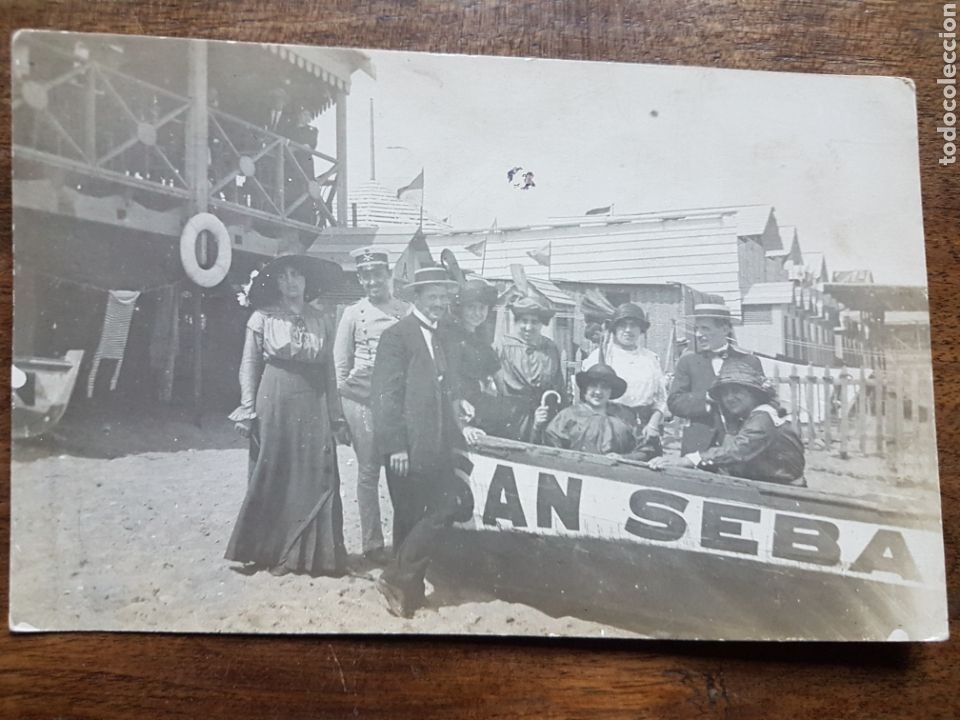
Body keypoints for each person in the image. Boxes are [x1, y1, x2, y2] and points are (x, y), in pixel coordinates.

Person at [226, 253, 351, 577]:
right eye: (285, 276)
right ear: (277, 283)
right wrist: (247, 409)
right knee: (274, 469)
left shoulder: (322, 318)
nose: (292, 281)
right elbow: (249, 365)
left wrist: (335, 415)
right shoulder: (262, 318)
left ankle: (313, 557)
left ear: (307, 281)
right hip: (276, 398)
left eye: (297, 275)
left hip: (314, 399)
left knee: (317, 471)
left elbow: (330, 370)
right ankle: (267, 551)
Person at [372, 266, 471, 618]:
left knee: (429, 512)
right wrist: (395, 444)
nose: (440, 305)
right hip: (408, 445)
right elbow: (385, 395)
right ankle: (401, 585)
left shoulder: (443, 336)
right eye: (433, 298)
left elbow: (448, 382)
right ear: (416, 298)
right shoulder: (397, 336)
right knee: (419, 514)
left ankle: (402, 587)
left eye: (444, 299)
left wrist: (459, 401)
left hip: (437, 443)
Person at [333, 247, 409, 565]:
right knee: (368, 471)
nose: (372, 281)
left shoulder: (405, 310)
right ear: (360, 279)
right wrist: (340, 410)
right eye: (366, 276)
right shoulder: (353, 313)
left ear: (388, 275)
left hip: (396, 399)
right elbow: (340, 363)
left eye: (378, 274)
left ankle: (404, 541)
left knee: (401, 469)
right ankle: (373, 543)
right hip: (361, 398)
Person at [650, 361, 805, 485]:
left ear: (754, 393)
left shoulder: (763, 417)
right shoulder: (749, 418)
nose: (729, 398)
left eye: (737, 391)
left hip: (786, 492)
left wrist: (688, 460)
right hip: (771, 486)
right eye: (725, 393)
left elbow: (736, 451)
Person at [668, 303, 764, 455]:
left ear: (725, 329)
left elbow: (761, 403)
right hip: (697, 446)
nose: (698, 334)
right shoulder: (687, 362)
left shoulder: (749, 362)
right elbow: (674, 402)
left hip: (740, 445)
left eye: (705, 328)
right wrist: (706, 399)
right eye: (697, 329)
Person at [582, 303, 667, 461]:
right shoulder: (601, 356)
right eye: (623, 325)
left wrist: (653, 424)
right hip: (609, 426)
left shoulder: (651, 359)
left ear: (641, 329)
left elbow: (661, 399)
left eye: (634, 325)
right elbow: (586, 396)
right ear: (614, 328)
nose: (628, 330)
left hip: (643, 429)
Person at [496, 293, 566, 443]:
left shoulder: (550, 348)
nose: (528, 327)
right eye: (524, 321)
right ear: (517, 321)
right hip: (513, 416)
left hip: (544, 414)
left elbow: (559, 385)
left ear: (542, 324)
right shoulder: (503, 346)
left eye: (534, 322)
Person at [441, 274, 501, 436]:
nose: (477, 313)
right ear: (461, 309)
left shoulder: (481, 341)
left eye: (482, 308)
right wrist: (462, 424)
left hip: (478, 407)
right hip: (456, 411)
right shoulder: (452, 340)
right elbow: (449, 382)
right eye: (471, 307)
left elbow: (493, 374)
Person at [544, 363, 636, 455]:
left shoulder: (622, 418)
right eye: (593, 385)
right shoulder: (568, 415)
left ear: (611, 391)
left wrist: (622, 457)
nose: (598, 391)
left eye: (604, 387)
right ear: (585, 388)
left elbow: (638, 448)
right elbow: (552, 444)